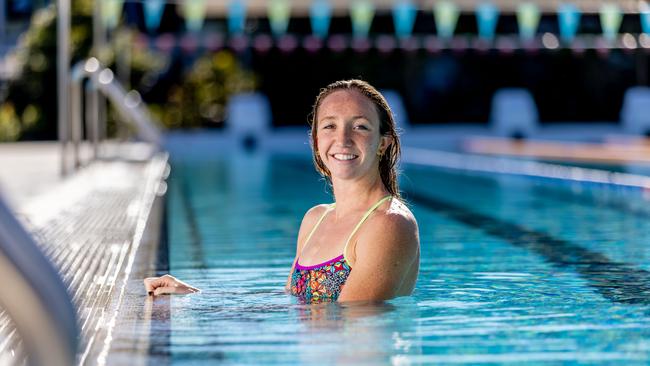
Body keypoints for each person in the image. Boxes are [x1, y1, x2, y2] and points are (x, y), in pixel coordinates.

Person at [144, 80, 420, 303]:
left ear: (383, 143)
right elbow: (291, 302)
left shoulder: (389, 224)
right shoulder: (316, 219)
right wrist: (191, 295)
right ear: (315, 140)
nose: (342, 139)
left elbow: (353, 317)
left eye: (360, 126)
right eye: (329, 126)